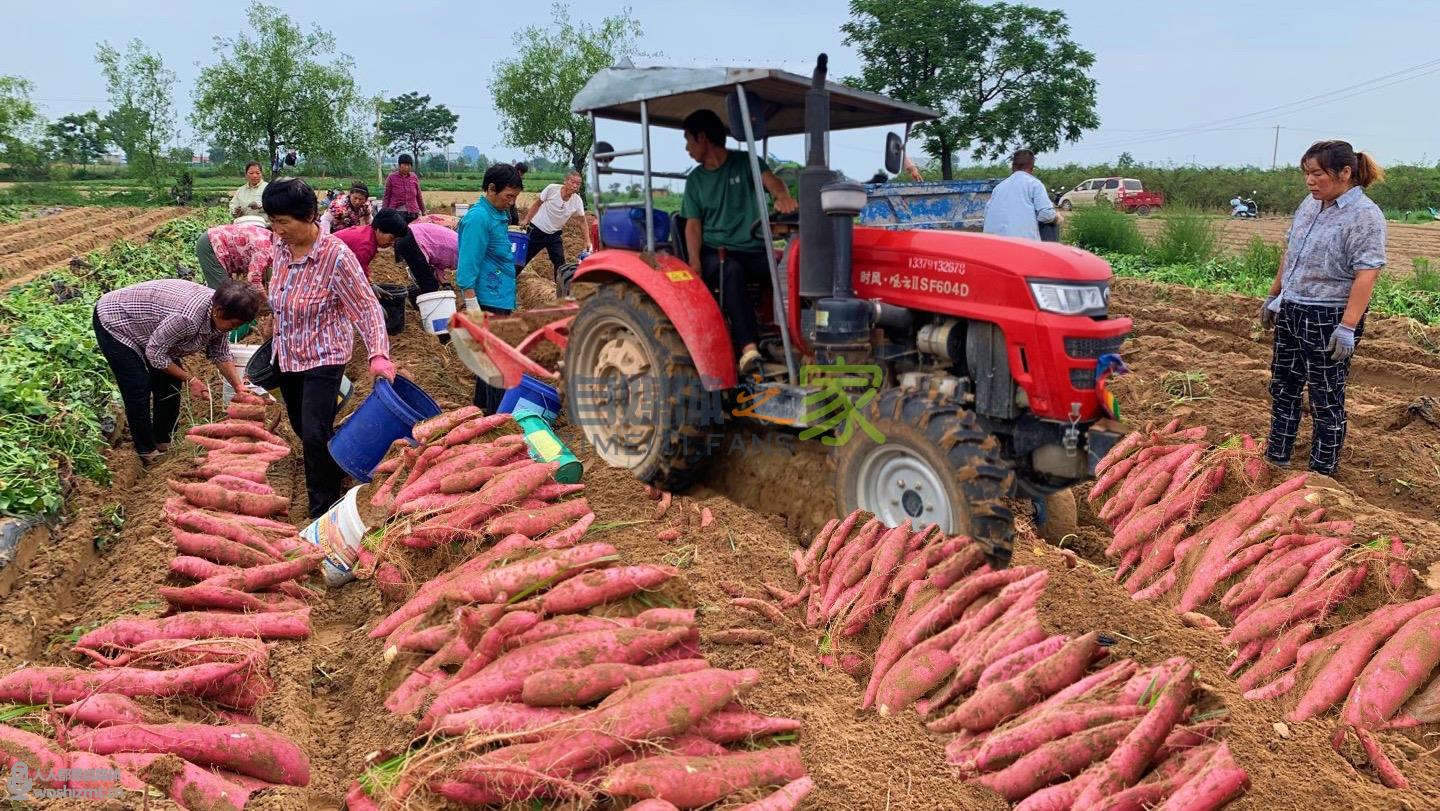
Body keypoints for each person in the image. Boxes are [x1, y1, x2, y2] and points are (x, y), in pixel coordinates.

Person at [261, 178, 397, 517]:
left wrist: (378, 353)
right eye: (272, 221)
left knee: (312, 433)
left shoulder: (337, 257)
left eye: (283, 222)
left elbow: (366, 307)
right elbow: (278, 286)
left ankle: (322, 510)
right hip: (287, 352)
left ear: (308, 216)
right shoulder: (279, 246)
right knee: (302, 427)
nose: (277, 229)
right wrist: (272, 316)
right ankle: (336, 468)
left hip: (325, 356)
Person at [1260, 140, 1386, 477]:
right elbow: (1292, 252)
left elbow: (1367, 273)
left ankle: (1321, 473)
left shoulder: (1365, 216)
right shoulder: (1309, 205)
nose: (1310, 181)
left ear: (1345, 173)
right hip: (1293, 307)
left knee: (1325, 395)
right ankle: (1277, 458)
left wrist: (1347, 327)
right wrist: (1275, 295)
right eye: (1307, 174)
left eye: (1317, 173)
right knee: (1283, 386)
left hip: (1328, 317)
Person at [679, 109, 797, 374]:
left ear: (702, 137)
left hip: (753, 249)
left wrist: (781, 197)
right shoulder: (696, 181)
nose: (687, 148)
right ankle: (749, 349)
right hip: (715, 252)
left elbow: (774, 184)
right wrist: (694, 262)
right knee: (730, 270)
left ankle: (794, 337)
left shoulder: (746, 162)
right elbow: (693, 226)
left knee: (787, 270)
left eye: (688, 140)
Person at [94, 280, 260, 465]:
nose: (235, 329)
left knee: (169, 382)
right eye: (234, 324)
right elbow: (155, 354)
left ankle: (163, 439)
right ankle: (146, 450)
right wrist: (192, 380)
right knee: (138, 386)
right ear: (218, 311)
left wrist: (239, 387)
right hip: (117, 321)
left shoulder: (221, 312)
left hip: (151, 326)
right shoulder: (187, 319)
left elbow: (220, 353)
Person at [457, 163, 525, 412]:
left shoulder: (497, 214)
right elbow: (466, 266)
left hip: (499, 295)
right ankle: (494, 416)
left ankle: (483, 410)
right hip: (487, 300)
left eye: (515, 197)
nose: (511, 202)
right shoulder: (478, 218)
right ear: (492, 189)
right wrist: (472, 303)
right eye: (509, 196)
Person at [519, 170, 594, 296]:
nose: (575, 186)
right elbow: (537, 204)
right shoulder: (552, 189)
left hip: (554, 234)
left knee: (560, 263)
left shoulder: (577, 201)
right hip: (537, 230)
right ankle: (509, 283)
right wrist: (526, 219)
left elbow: (582, 221)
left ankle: (561, 294)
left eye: (578, 184)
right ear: (565, 181)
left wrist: (587, 241)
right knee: (523, 258)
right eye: (573, 182)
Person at [982, 149, 1057, 241]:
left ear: (1012, 167)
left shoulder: (998, 187)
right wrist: (1056, 217)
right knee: (1050, 223)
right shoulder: (1034, 184)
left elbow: (986, 214)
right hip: (1022, 246)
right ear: (1032, 167)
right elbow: (1046, 215)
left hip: (994, 244)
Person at [327, 209, 411, 278]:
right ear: (379, 230)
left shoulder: (367, 232)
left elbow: (362, 266)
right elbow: (355, 274)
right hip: (325, 263)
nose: (393, 243)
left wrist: (369, 282)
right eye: (392, 238)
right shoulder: (366, 246)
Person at [395, 220, 458, 302]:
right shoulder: (459, 254)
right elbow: (465, 279)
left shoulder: (458, 245)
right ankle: (424, 306)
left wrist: (445, 283)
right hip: (413, 240)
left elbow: (438, 265)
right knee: (429, 284)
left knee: (428, 279)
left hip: (410, 235)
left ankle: (420, 298)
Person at [195, 223, 272, 290]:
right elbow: (253, 279)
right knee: (222, 292)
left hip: (216, 241)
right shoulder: (266, 249)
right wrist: (266, 303)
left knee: (227, 291)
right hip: (212, 243)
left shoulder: (273, 239)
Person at [383, 154, 424, 222]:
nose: (407, 167)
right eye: (404, 165)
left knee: (413, 231)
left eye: (409, 165)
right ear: (399, 165)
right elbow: (386, 197)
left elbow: (419, 196)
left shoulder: (414, 177)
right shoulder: (391, 177)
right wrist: (384, 212)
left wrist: (423, 211)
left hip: (413, 212)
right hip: (396, 212)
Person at [230, 162, 269, 228]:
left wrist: (260, 207)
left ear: (261, 174)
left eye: (257, 173)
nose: (254, 176)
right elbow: (233, 205)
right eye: (251, 173)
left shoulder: (268, 188)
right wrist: (236, 210)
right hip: (245, 227)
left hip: (265, 227)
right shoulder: (241, 190)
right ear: (246, 175)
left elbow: (276, 206)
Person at [507, 162, 530, 226]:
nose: (522, 175)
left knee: (515, 219)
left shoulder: (518, 179)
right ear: (518, 170)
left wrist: (513, 204)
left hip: (513, 204)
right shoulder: (509, 179)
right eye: (522, 173)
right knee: (509, 219)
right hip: (507, 203)